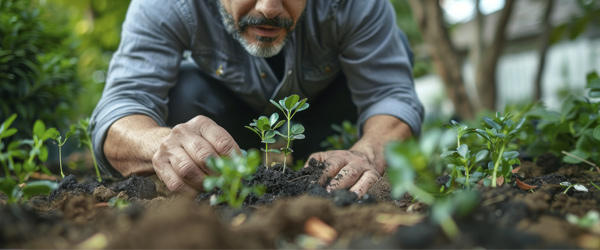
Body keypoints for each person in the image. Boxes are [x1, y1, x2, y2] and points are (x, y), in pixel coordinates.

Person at [91, 0, 424, 198]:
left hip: (325, 128)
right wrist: (159, 143)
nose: (268, 8)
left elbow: (390, 95)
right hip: (228, 137)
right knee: (186, 90)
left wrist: (365, 153)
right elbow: (121, 107)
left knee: (399, 47)